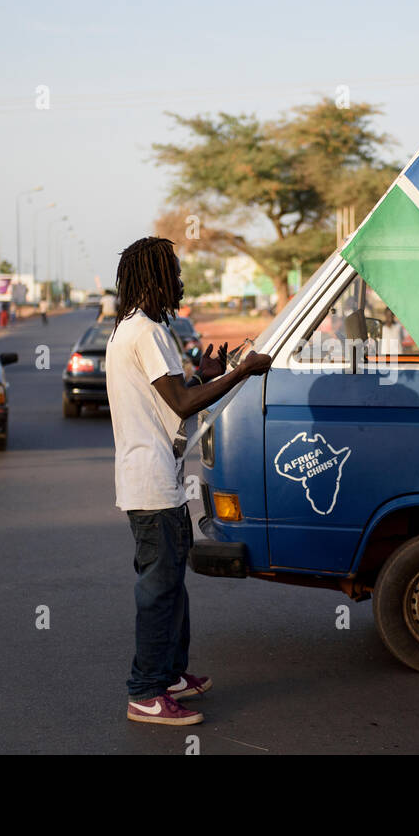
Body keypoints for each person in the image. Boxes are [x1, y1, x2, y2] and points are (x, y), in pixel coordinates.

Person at [106, 236, 271, 726]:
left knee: (172, 586)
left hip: (158, 479)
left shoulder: (136, 328)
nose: (180, 280)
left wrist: (206, 374)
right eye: (173, 271)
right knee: (158, 590)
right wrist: (242, 374)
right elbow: (182, 405)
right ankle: (146, 692)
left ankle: (170, 674)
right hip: (152, 484)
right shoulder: (146, 331)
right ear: (154, 276)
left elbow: (175, 396)